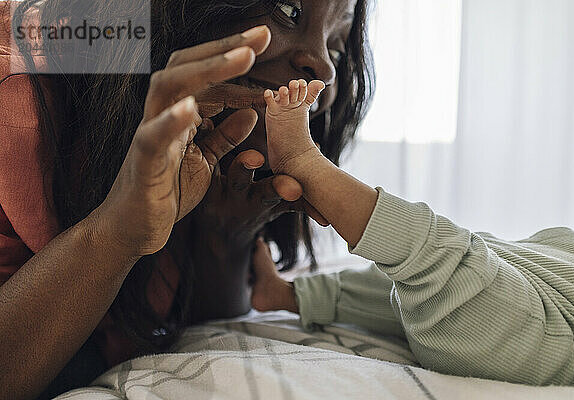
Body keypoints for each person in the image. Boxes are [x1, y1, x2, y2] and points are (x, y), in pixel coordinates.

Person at [0, 0, 372, 398]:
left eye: (336, 46)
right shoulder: (29, 74)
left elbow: (190, 328)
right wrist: (116, 234)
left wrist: (225, 235)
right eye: (288, 10)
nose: (325, 66)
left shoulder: (219, 150)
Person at [250, 78, 574, 387]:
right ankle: (285, 294)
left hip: (546, 334)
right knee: (395, 284)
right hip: (536, 281)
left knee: (439, 259)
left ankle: (304, 161)